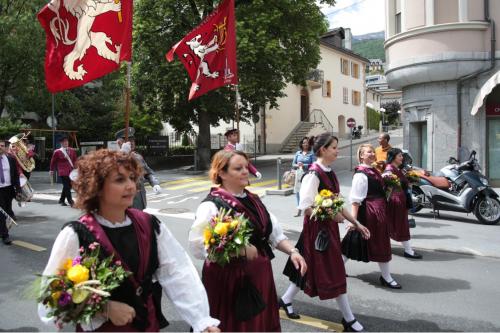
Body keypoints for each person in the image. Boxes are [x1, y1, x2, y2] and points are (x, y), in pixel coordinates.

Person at [38, 149, 220, 332]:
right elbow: (53, 296)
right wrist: (104, 308)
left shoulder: (149, 224)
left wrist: (201, 320)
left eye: (132, 178)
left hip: (146, 324)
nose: (131, 186)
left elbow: (177, 272)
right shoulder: (76, 233)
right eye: (120, 180)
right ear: (97, 186)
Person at [189, 150, 307, 332]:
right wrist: (239, 249)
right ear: (221, 173)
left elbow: (272, 233)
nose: (246, 171)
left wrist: (293, 252)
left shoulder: (254, 199)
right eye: (238, 168)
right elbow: (198, 246)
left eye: (246, 167)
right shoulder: (211, 205)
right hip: (229, 280)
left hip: (259, 275)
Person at [280, 133, 369, 332]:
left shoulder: (329, 171)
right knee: (335, 271)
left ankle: (285, 300)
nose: (338, 151)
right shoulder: (313, 174)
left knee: (307, 266)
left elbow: (338, 204)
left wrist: (356, 222)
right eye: (335, 147)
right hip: (318, 231)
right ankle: (349, 318)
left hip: (327, 229)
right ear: (323, 150)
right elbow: (306, 207)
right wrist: (331, 216)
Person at [342, 144, 402, 289]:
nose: (372, 154)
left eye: (373, 152)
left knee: (353, 242)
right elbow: (356, 200)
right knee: (370, 243)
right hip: (370, 213)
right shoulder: (361, 174)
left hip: (378, 211)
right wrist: (354, 221)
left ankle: (337, 267)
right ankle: (386, 277)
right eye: (369, 152)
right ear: (361, 156)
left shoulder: (373, 170)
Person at [383, 148, 422, 259]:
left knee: (397, 225)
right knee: (400, 226)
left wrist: (409, 180)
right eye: (400, 156)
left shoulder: (396, 169)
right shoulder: (389, 170)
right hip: (395, 202)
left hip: (400, 200)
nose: (402, 158)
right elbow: (387, 187)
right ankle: (408, 250)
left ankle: (406, 249)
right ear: (393, 157)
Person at [115, 128, 162, 210]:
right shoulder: (114, 158)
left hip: (140, 202)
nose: (132, 142)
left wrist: (155, 183)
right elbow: (114, 173)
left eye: (133, 140)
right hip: (124, 205)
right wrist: (123, 153)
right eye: (128, 140)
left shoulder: (138, 157)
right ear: (119, 143)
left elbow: (148, 172)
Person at [0, 140, 21, 245]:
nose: (0, 147)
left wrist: (18, 189)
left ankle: (2, 230)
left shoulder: (11, 159)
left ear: (5, 147)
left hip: (8, 189)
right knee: (2, 213)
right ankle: (5, 235)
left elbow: (15, 175)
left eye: (2, 146)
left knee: (8, 211)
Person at [292, 137, 316, 217]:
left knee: (307, 192)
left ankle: (308, 209)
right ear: (301, 144)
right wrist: (297, 165)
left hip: (308, 175)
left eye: (307, 143)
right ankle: (299, 209)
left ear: (309, 144)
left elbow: (313, 164)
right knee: (298, 192)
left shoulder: (311, 153)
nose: (305, 144)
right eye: (304, 142)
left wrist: (304, 165)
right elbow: (293, 164)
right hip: (299, 175)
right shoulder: (298, 153)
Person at [50, 136, 77, 207]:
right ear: (61, 143)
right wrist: (51, 170)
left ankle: (61, 200)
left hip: (71, 171)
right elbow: (53, 161)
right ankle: (70, 201)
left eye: (67, 141)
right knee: (67, 186)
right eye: (64, 142)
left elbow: (75, 160)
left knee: (68, 186)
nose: (66, 143)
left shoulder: (72, 150)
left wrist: (76, 168)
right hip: (62, 171)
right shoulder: (57, 152)